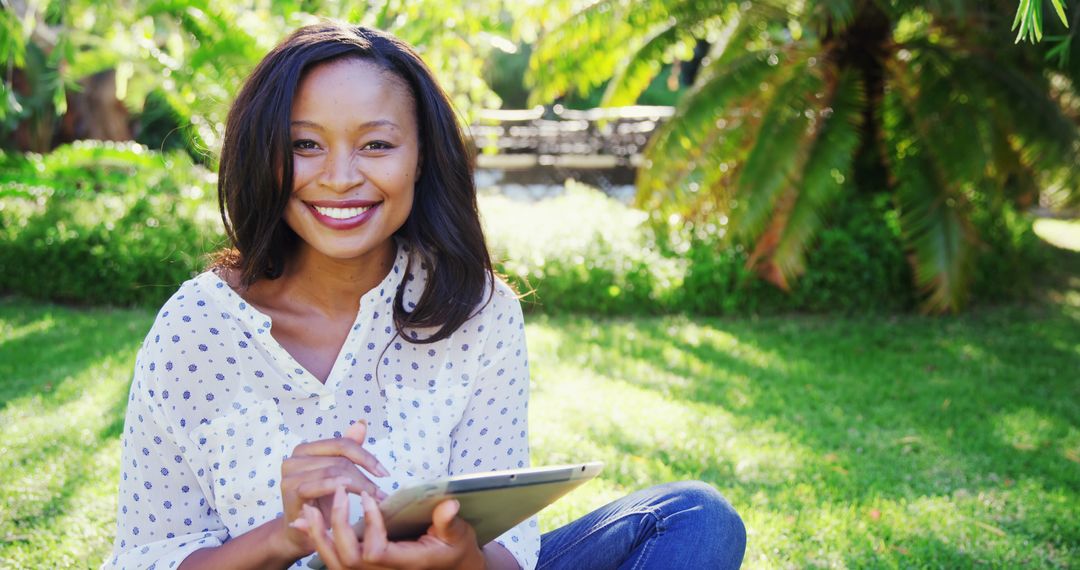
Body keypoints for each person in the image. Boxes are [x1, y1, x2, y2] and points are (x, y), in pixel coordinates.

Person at [104, 21, 746, 570]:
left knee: (696, 517)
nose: (340, 177)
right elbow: (148, 554)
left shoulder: (478, 311)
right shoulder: (199, 326)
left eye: (377, 144)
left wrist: (460, 555)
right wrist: (286, 536)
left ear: (420, 158)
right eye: (305, 145)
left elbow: (510, 551)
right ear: (264, 154)